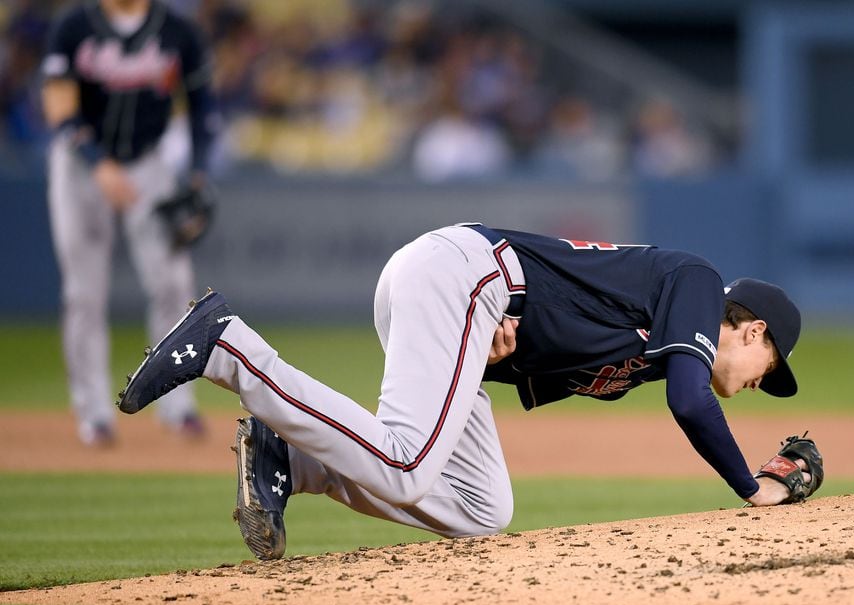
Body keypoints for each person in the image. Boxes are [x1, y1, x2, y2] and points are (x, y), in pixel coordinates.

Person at [117, 223, 810, 560]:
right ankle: (229, 348)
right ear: (748, 329)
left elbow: (534, 344)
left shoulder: (651, 348)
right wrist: (754, 486)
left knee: (482, 507)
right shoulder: (695, 283)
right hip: (465, 275)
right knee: (408, 465)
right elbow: (692, 401)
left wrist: (501, 349)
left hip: (467, 306)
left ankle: (288, 460)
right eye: (768, 367)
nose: (757, 384)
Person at [41, 0, 219, 445]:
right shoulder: (76, 25)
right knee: (84, 292)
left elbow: (201, 108)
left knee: (175, 286)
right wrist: (97, 162)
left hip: (148, 164)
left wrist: (197, 177)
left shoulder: (177, 30)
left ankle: (177, 406)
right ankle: (94, 414)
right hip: (80, 166)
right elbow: (58, 105)